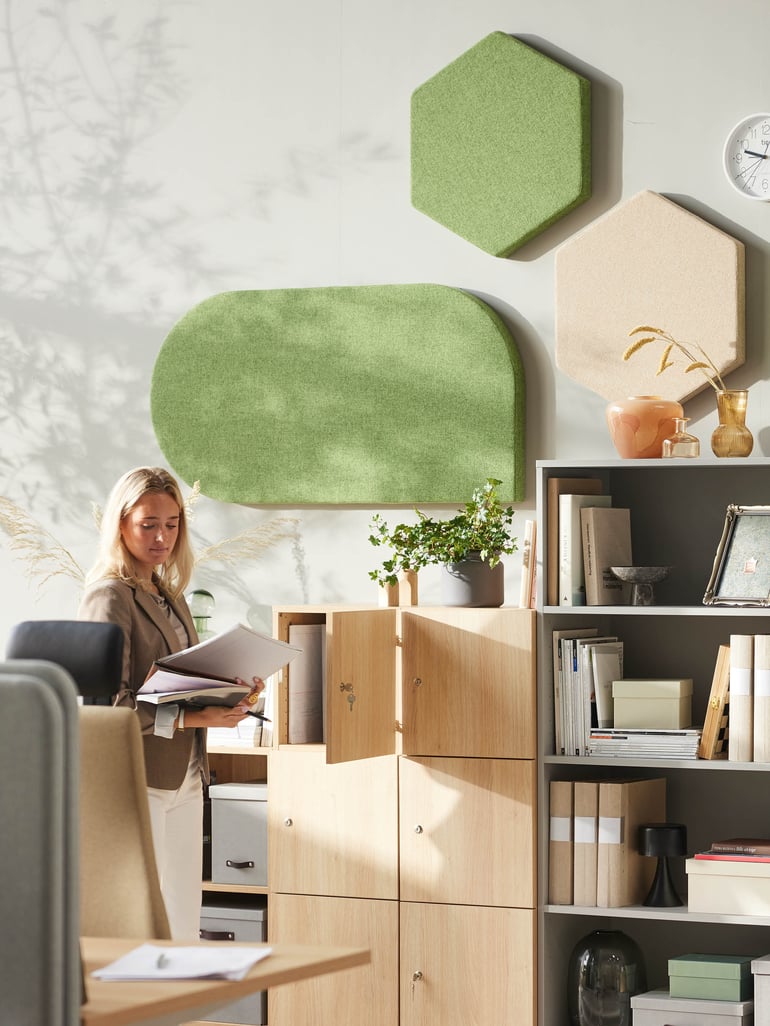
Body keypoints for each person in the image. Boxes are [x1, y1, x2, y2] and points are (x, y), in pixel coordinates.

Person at [78, 466, 262, 940]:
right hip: (140, 777)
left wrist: (231, 692)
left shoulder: (169, 594)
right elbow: (108, 707)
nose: (162, 536)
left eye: (172, 523)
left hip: (186, 773)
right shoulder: (109, 597)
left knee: (183, 919)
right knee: (147, 923)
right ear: (121, 524)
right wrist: (193, 716)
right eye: (148, 524)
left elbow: (181, 681)